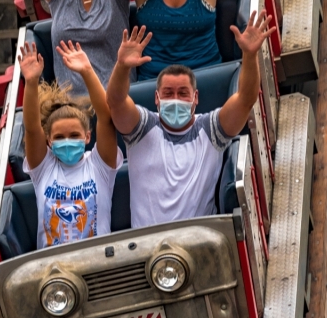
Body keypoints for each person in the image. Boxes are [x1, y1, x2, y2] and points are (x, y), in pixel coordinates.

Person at [106, 16, 275, 228]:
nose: (175, 98)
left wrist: (250, 56)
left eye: (183, 93)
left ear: (195, 98)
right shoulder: (141, 128)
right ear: (156, 98)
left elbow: (246, 99)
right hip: (146, 246)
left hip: (197, 244)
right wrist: (122, 66)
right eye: (168, 93)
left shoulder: (211, 130)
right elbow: (115, 101)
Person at [19, 39, 123, 249]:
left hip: (98, 262)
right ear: (49, 140)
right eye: (59, 137)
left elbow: (105, 118)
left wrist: (86, 71)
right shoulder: (44, 168)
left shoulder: (99, 165)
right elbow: (31, 128)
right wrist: (31, 82)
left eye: (74, 134)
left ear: (87, 136)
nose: (67, 141)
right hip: (53, 271)